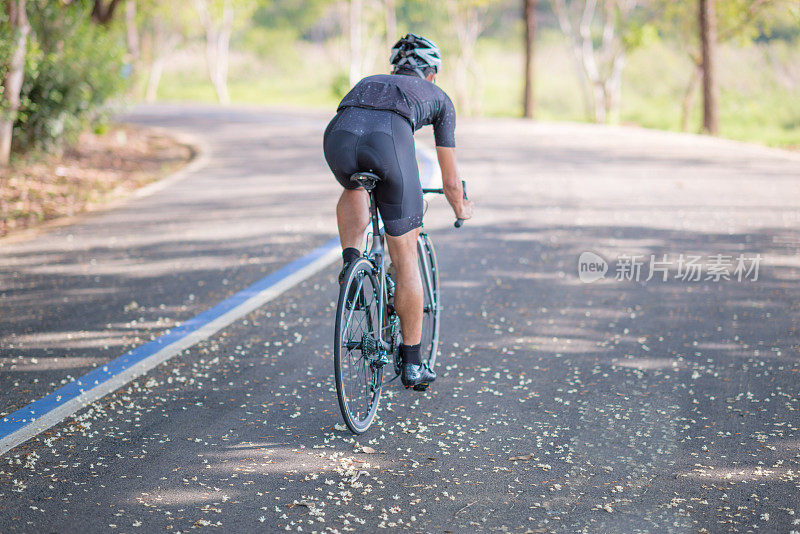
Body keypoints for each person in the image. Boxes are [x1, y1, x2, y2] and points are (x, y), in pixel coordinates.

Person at [323, 33, 473, 389]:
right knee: (406, 260)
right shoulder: (439, 98)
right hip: (387, 141)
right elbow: (450, 180)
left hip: (337, 139)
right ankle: (412, 363)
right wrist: (461, 207)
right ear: (431, 74)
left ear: (396, 68)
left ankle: (351, 265)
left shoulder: (368, 82)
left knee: (354, 184)